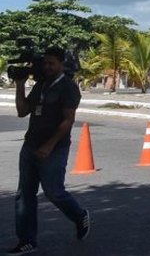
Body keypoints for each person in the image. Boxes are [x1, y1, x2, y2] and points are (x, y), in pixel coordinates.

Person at [10, 47, 90, 254]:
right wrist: (19, 85)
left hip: (54, 148)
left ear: (62, 64)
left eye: (51, 63)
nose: (46, 66)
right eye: (44, 63)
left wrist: (49, 145)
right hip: (30, 146)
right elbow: (22, 111)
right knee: (24, 195)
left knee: (54, 192)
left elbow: (68, 120)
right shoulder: (41, 84)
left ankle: (79, 215)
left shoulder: (68, 87)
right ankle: (27, 240)